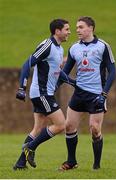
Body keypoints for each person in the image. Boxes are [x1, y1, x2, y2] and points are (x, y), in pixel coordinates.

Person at [13, 18, 75, 170]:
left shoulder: (59, 49)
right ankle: (30, 148)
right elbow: (27, 63)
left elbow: (57, 71)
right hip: (41, 93)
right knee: (61, 125)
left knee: (38, 129)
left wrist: (73, 82)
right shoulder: (46, 45)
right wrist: (22, 87)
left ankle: (20, 164)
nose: (69, 32)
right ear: (57, 31)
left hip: (44, 93)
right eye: (67, 29)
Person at [59, 16, 116, 170]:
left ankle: (96, 165)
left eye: (81, 27)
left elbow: (112, 71)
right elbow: (64, 73)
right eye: (77, 27)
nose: (77, 30)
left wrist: (104, 94)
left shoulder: (103, 46)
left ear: (91, 28)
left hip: (97, 94)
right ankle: (71, 162)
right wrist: (57, 86)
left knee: (95, 129)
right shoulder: (74, 48)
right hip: (79, 94)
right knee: (69, 126)